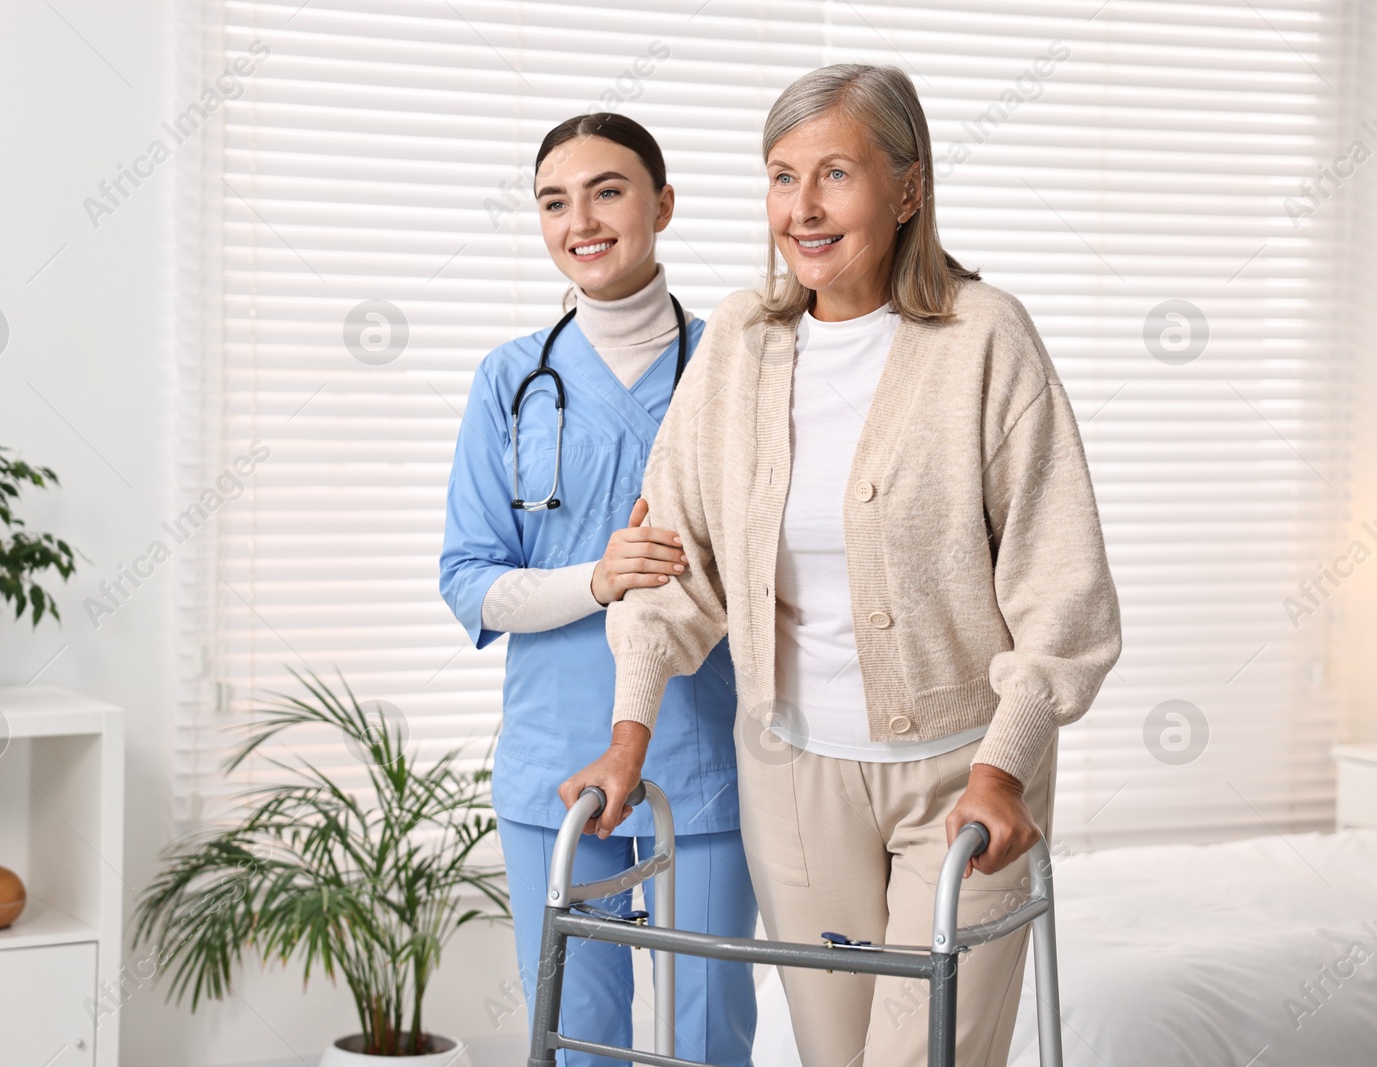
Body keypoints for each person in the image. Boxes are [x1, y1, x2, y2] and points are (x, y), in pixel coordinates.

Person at [559, 66, 1122, 1067]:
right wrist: (626, 734)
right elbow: (675, 560)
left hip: (964, 777)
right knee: (834, 1055)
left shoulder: (985, 337)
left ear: (907, 189)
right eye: (781, 177)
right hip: (793, 776)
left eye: (834, 175)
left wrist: (1002, 769)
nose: (802, 208)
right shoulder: (738, 340)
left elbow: (1062, 590)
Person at [439, 112, 758, 1067]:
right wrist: (597, 576)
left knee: (709, 1027)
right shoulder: (510, 379)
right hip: (552, 757)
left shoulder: (732, 368)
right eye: (553, 201)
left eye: (607, 190)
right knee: (580, 1037)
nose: (581, 219)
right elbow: (470, 579)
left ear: (662, 203)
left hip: (703, 754)